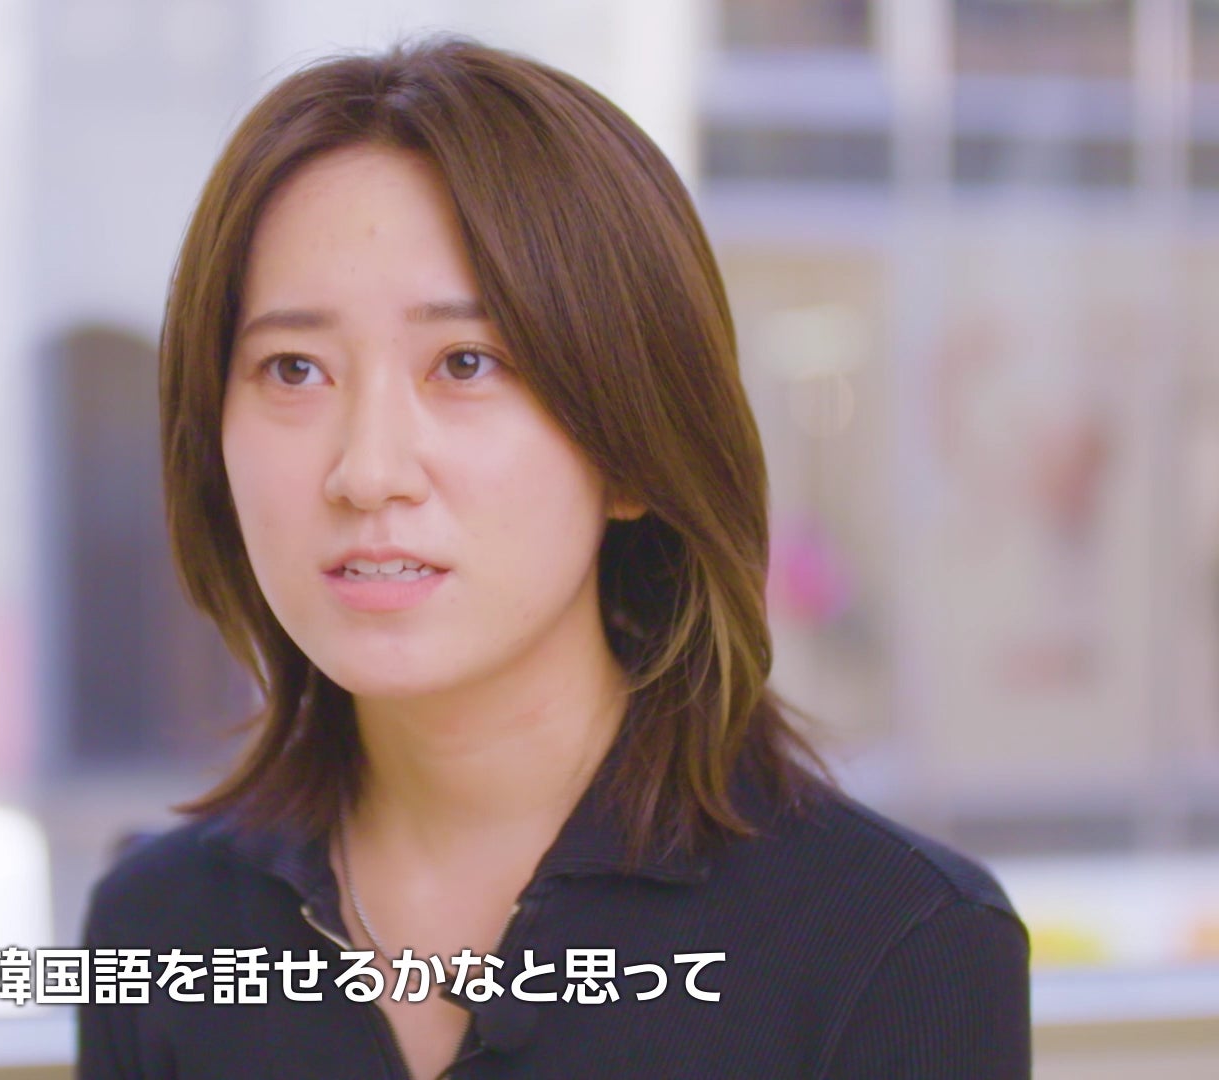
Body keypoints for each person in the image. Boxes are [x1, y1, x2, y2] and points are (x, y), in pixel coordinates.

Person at [78, 36, 1029, 1079]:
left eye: (466, 362)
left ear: (631, 446)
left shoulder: (895, 947)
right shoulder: (160, 932)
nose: (367, 471)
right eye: (293, 368)